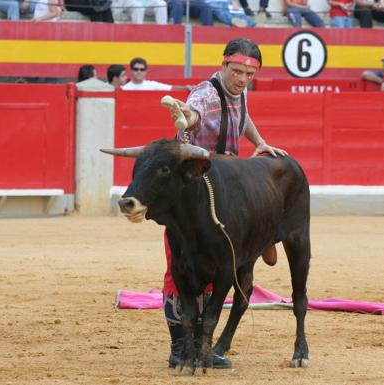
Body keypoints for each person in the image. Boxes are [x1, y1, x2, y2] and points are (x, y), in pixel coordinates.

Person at [164, 38, 287, 369]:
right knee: (184, 269)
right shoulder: (205, 92)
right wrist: (184, 118)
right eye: (237, 71)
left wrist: (260, 142)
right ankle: (180, 348)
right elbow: (193, 113)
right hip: (194, 188)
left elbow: (243, 118)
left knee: (219, 267)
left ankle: (201, 347)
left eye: (249, 74)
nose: (242, 79)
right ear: (224, 64)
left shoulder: (240, 93)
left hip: (226, 187)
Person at [122, 58, 192, 90]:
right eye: (136, 69)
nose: (139, 71)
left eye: (142, 69)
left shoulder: (151, 85)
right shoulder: (125, 89)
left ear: (146, 71)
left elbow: (171, 88)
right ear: (131, 70)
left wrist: (186, 88)